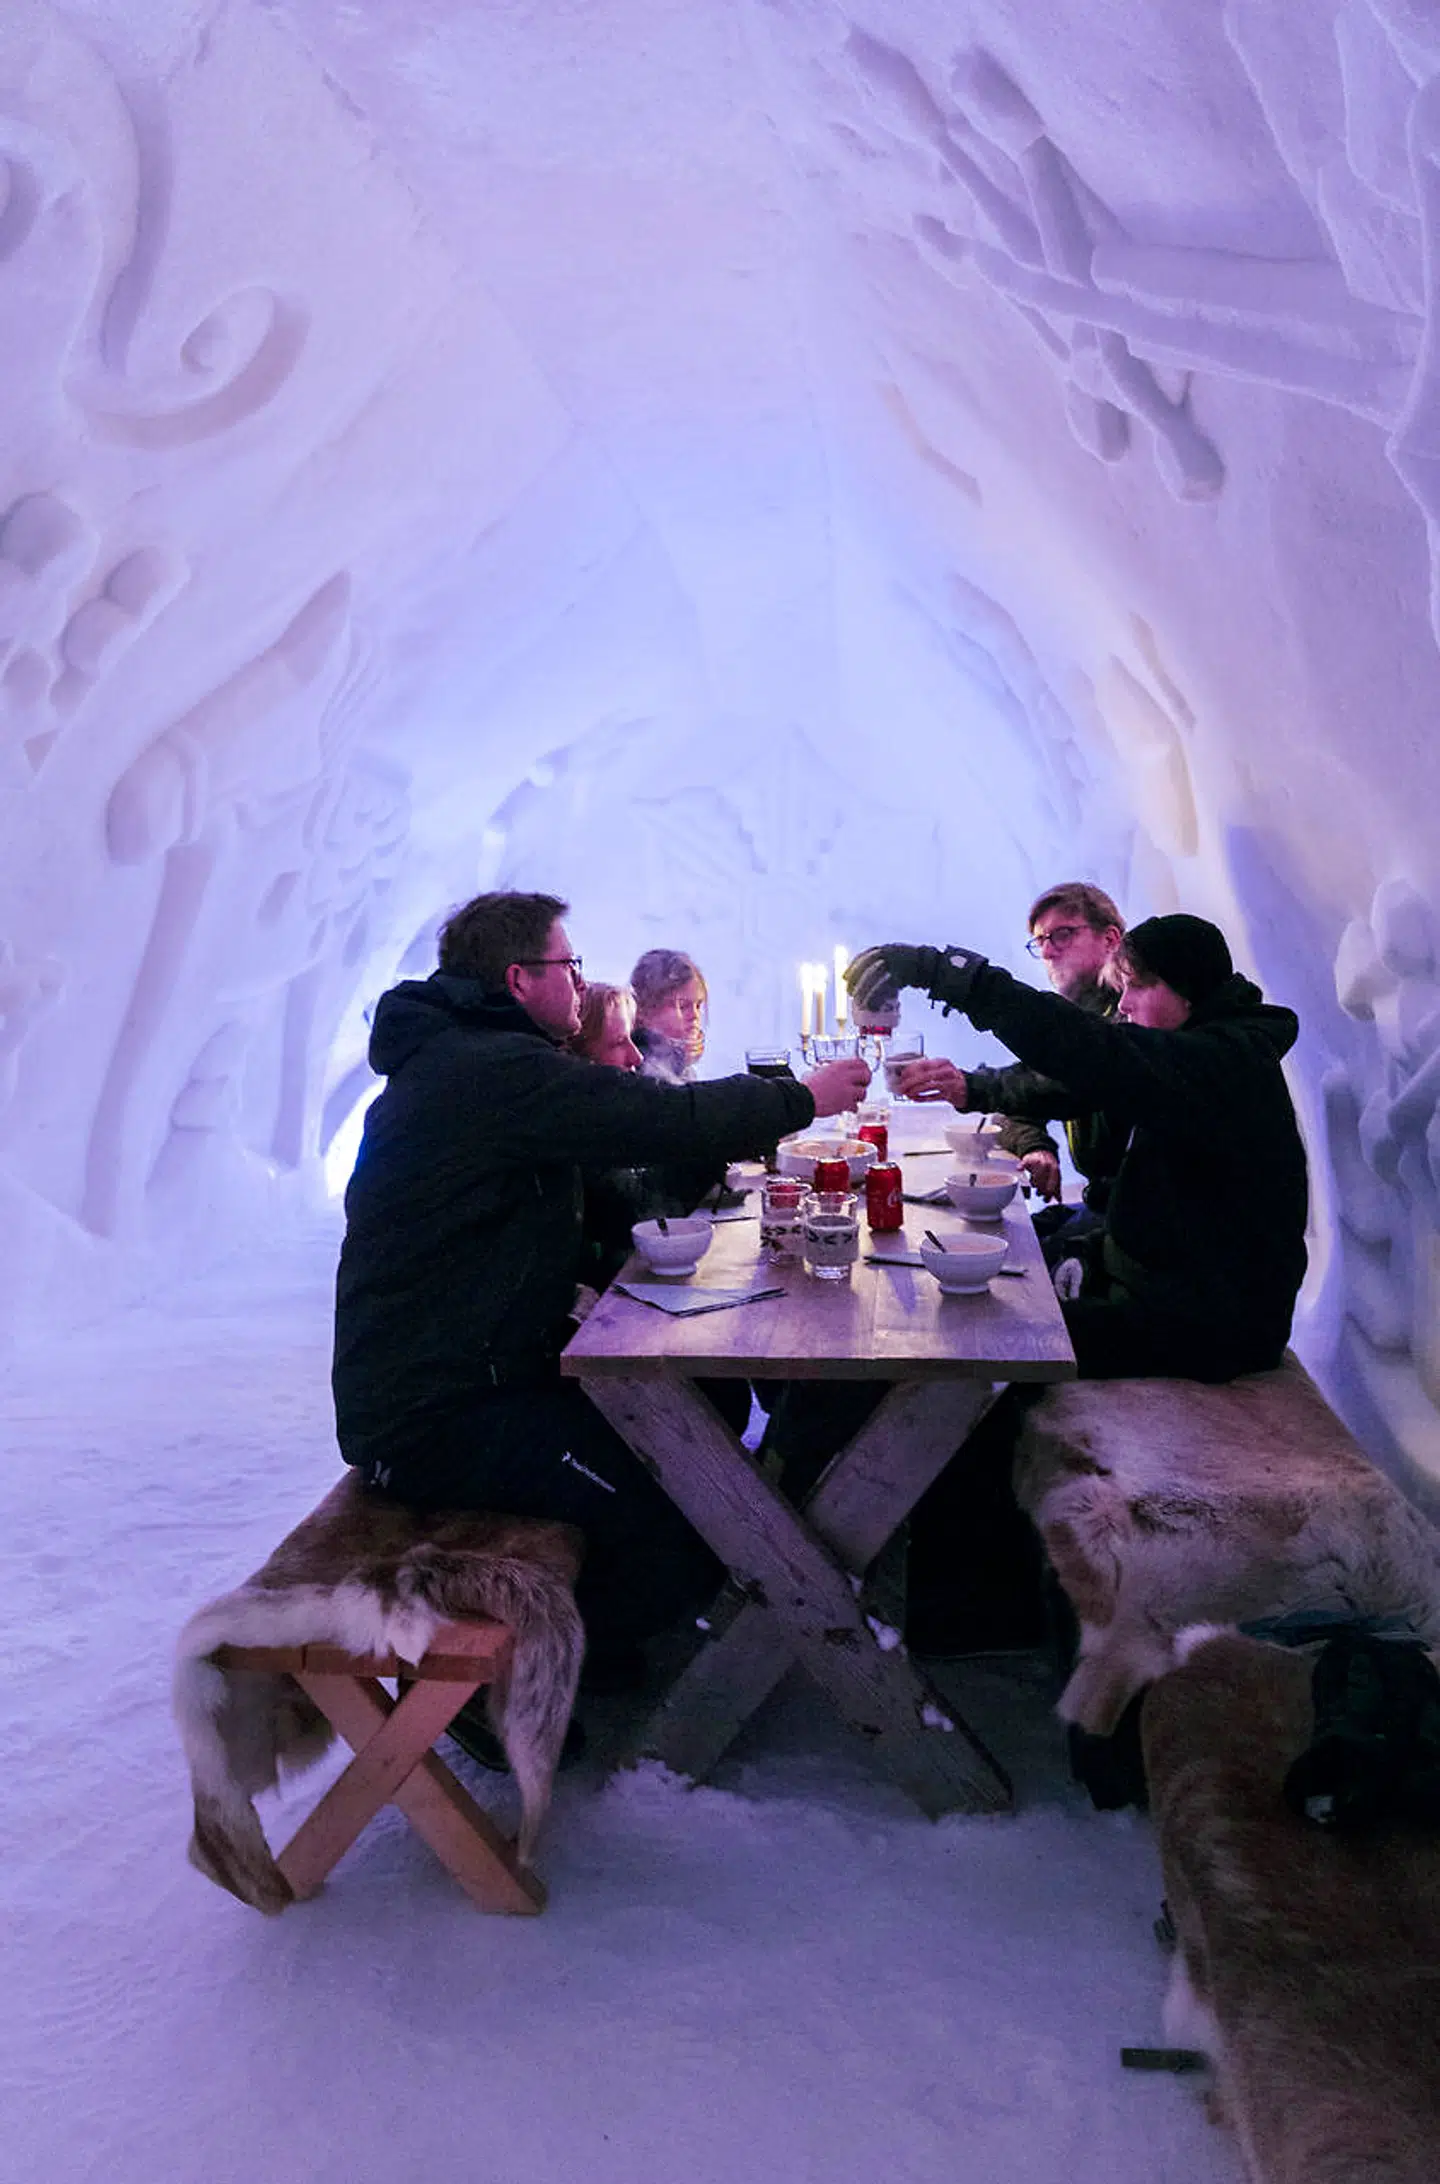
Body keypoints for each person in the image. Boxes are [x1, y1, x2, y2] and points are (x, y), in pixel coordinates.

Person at [333, 890, 869, 1682]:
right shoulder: (487, 1072)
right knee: (684, 1516)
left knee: (704, 1432)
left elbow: (634, 1164)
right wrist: (800, 1099)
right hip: (434, 1417)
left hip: (489, 1378)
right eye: (569, 965)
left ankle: (603, 1653)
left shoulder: (475, 1062)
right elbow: (655, 1117)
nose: (581, 982)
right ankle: (504, 1689)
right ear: (519, 978)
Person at [850, 912, 1309, 1382]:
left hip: (1207, 1327)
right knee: (983, 1288)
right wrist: (973, 1088)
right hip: (1169, 1293)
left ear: (1187, 989)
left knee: (973, 1335)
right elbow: (1068, 1082)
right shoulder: (1197, 1055)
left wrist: (959, 979)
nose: (1124, 1004)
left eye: (1137, 987)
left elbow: (1091, 1050)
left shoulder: (1222, 1064)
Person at [631, 948, 707, 1082]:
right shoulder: (639, 1064)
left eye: (698, 1006)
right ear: (644, 1009)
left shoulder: (681, 1067)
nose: (695, 1016)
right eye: (683, 1006)